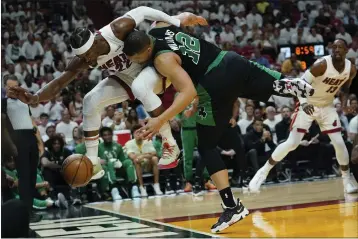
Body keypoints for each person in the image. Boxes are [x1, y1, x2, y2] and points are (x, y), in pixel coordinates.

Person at [122, 22, 313, 232]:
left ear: (147, 50)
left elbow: (187, 93)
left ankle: (232, 206)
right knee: (262, 82)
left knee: (206, 146)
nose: (137, 64)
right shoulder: (159, 28)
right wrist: (191, 17)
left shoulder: (161, 59)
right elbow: (176, 22)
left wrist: (161, 120)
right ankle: (290, 85)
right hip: (230, 59)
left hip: (214, 84)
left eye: (136, 59)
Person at [7, 8, 207, 181]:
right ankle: (93, 163)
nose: (87, 60)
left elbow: (144, 10)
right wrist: (35, 98)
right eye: (82, 57)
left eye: (88, 55)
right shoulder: (83, 59)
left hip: (154, 67)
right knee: (90, 100)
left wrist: (175, 21)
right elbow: (59, 82)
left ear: (94, 43)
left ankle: (169, 143)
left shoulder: (117, 29)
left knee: (139, 87)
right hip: (128, 78)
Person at [249, 39, 358, 194]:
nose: (337, 50)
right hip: (308, 103)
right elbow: (300, 84)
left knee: (339, 142)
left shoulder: (351, 69)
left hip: (327, 106)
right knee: (292, 143)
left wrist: (345, 103)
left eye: (340, 47)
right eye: (334, 47)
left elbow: (346, 88)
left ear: (347, 50)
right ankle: (263, 172)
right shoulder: (321, 65)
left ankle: (347, 181)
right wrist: (304, 102)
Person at [2, 75, 43, 223]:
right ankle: (25, 213)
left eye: (15, 87)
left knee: (32, 176)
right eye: (9, 87)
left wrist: (40, 142)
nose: (12, 90)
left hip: (30, 137)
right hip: (18, 139)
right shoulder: (3, 102)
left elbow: (31, 121)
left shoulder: (24, 102)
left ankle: (30, 209)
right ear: (5, 88)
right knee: (24, 177)